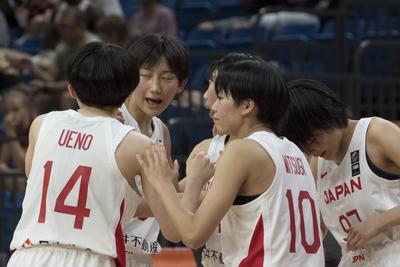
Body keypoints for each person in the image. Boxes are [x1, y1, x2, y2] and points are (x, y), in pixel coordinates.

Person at [137, 59, 325, 266]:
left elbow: (193, 235)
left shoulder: (241, 151)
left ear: (246, 106)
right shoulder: (293, 150)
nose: (213, 108)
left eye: (221, 98)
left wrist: (163, 184)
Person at [7, 42, 154, 267]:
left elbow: (34, 179)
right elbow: (170, 224)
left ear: (71, 89)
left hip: (29, 255)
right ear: (129, 92)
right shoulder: (136, 143)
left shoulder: (41, 124)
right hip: (90, 256)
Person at [273, 79, 400, 267]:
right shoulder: (318, 162)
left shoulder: (376, 132)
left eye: (312, 140)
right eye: (304, 147)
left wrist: (378, 222)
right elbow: (314, 227)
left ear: (327, 117)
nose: (312, 151)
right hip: (355, 260)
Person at [180, 52, 263, 267]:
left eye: (219, 90)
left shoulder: (255, 152)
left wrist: (193, 189)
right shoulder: (207, 148)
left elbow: (190, 234)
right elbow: (176, 224)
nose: (209, 94)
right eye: (211, 85)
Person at [120, 34, 189, 267]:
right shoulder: (113, 123)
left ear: (181, 84)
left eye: (167, 78)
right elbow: (112, 201)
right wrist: (201, 196)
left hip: (141, 253)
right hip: (108, 250)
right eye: (146, 76)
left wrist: (201, 180)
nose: (156, 87)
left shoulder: (162, 131)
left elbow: (165, 198)